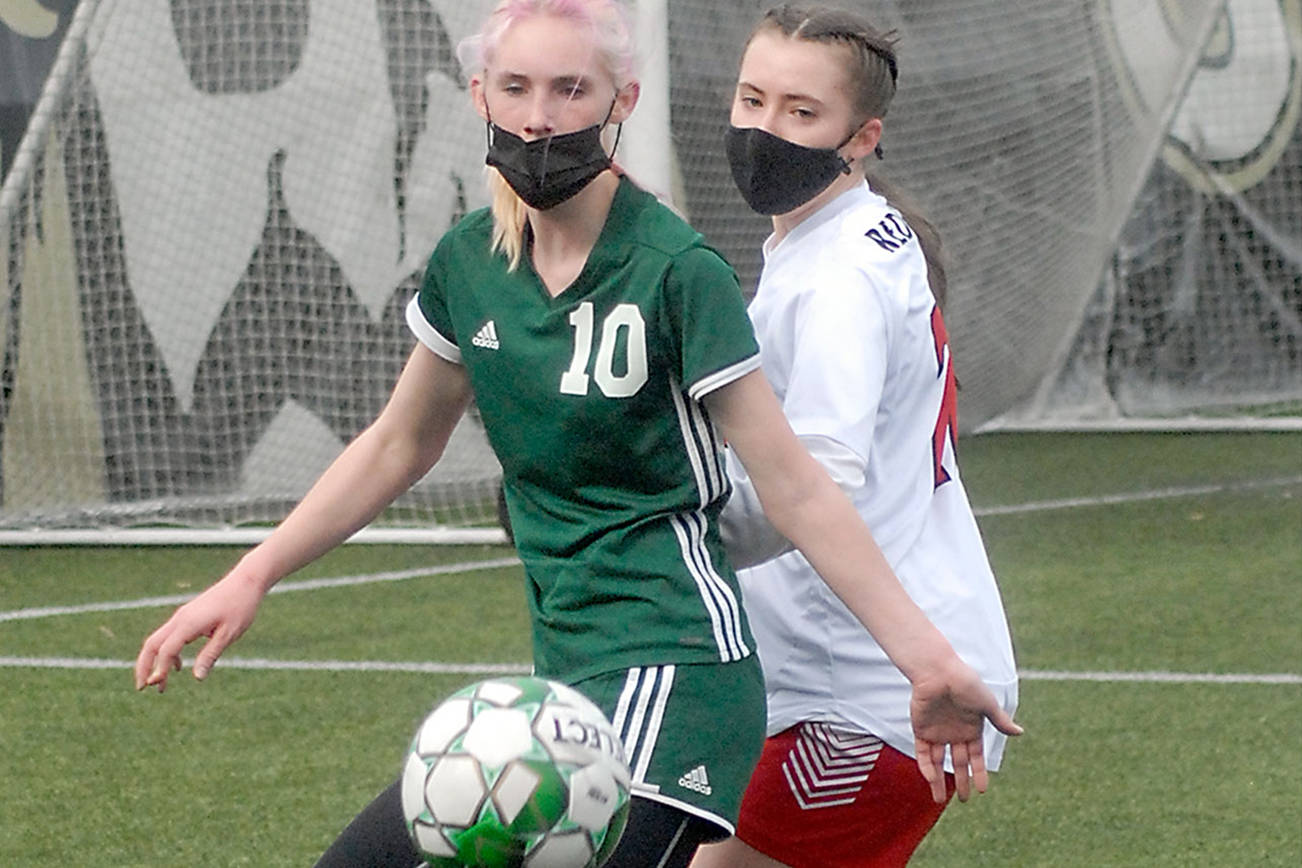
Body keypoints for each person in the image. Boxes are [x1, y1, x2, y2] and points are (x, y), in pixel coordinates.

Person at [133, 2, 1019, 866]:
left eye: (570, 89)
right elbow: (398, 442)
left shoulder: (693, 271)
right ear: (478, 94)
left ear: (621, 101)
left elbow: (805, 484)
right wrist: (251, 574)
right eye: (516, 86)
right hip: (579, 667)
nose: (539, 117)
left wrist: (925, 659)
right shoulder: (472, 261)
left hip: (703, 670)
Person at [692, 7, 1020, 868]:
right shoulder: (845, 237)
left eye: (802, 112)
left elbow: (819, 478)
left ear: (862, 137)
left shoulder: (839, 276)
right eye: (753, 99)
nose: (766, 129)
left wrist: (674, 531)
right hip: (831, 678)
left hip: (870, 692)